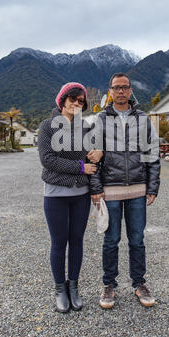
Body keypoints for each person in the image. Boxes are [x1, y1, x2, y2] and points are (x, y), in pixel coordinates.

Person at [90, 73, 161, 309]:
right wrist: (96, 187)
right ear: (110, 91)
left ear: (131, 91)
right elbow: (92, 156)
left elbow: (153, 154)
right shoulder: (100, 119)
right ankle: (109, 284)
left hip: (138, 190)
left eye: (125, 87)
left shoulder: (143, 119)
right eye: (116, 88)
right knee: (111, 240)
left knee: (137, 240)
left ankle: (139, 283)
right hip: (110, 190)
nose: (120, 91)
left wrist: (152, 186)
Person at [38, 82, 102, 313]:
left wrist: (99, 153)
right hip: (55, 194)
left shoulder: (86, 128)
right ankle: (59, 289)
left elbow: (94, 157)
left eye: (81, 101)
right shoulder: (47, 127)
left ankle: (73, 286)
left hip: (81, 195)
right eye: (73, 98)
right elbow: (47, 159)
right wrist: (80, 167)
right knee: (58, 242)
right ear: (62, 100)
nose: (77, 103)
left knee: (76, 241)